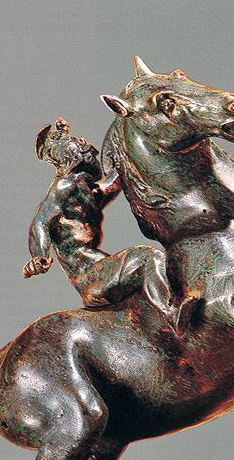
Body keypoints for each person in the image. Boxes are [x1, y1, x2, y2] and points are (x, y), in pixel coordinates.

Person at [23, 117, 196, 334]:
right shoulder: (63, 188)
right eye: (76, 144)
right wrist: (38, 255)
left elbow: (115, 180)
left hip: (100, 268)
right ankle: (172, 315)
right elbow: (41, 222)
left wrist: (127, 131)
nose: (83, 144)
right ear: (65, 157)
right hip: (90, 277)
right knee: (148, 258)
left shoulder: (87, 192)